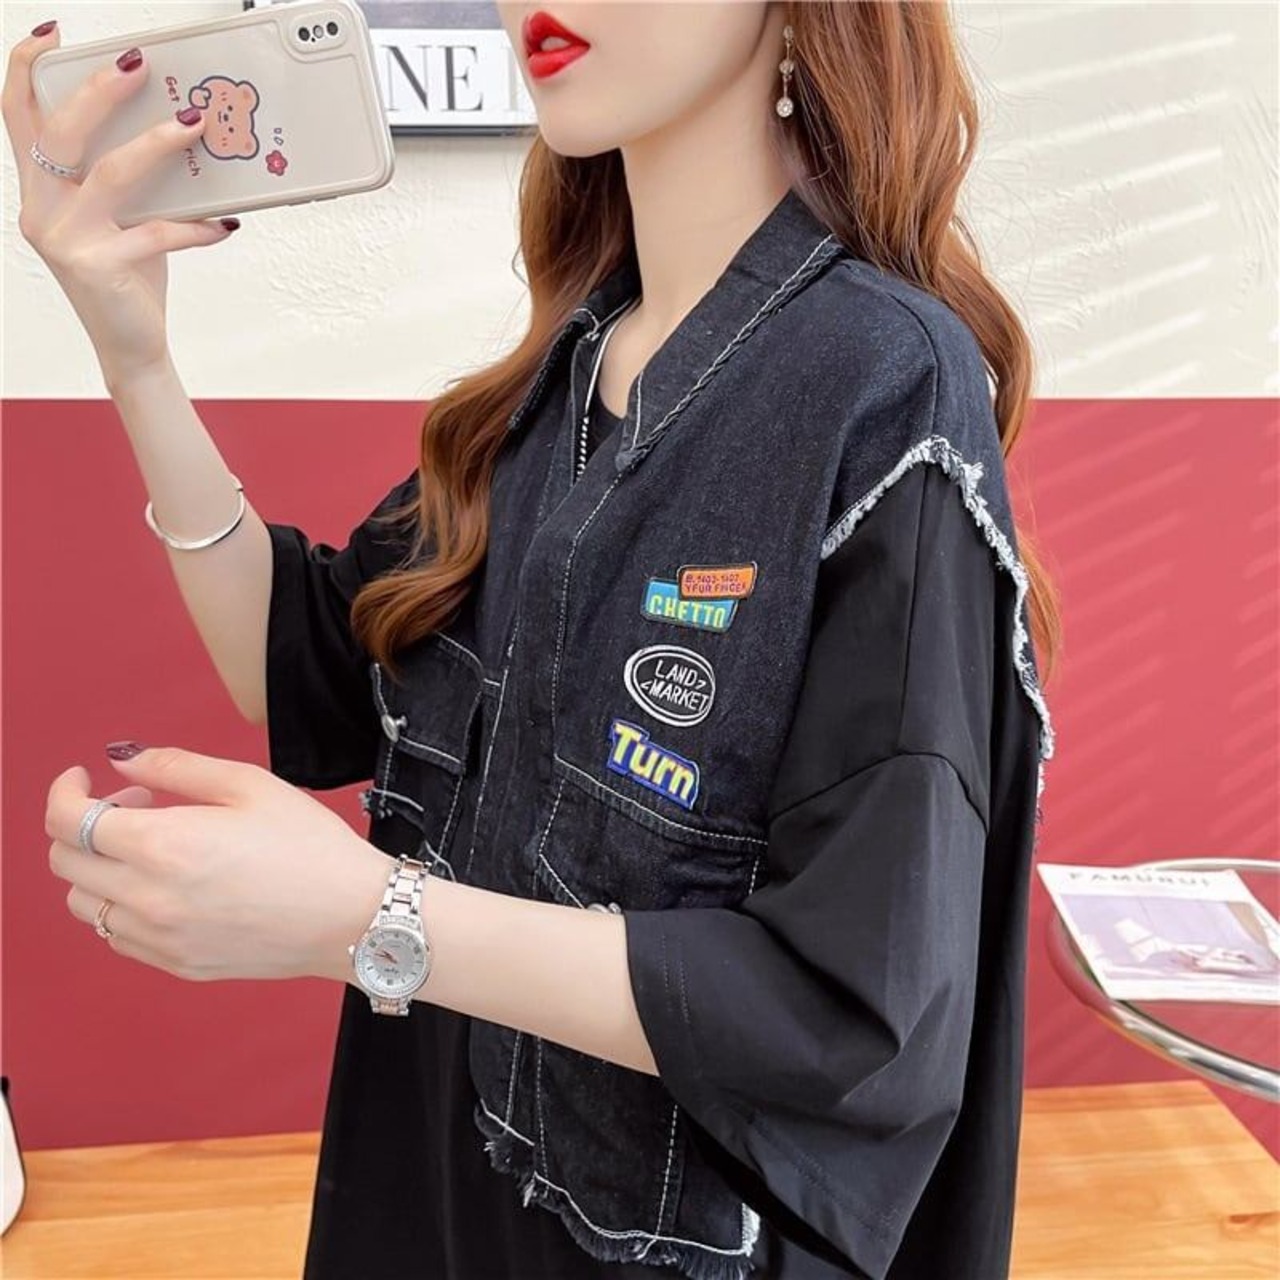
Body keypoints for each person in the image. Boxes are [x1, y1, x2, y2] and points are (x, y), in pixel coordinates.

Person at [12, 3, 1061, 1277]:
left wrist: (367, 915)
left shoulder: (880, 381)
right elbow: (307, 667)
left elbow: (852, 1016)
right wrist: (132, 347)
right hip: (435, 1196)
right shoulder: (552, 387)